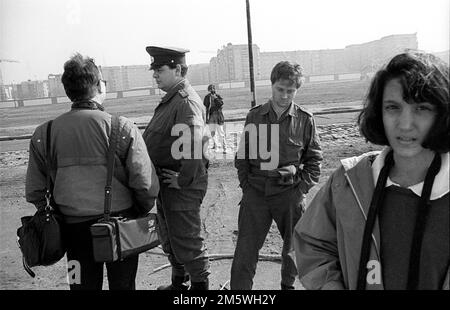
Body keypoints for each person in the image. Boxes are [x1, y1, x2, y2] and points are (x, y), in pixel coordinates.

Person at [294, 51, 449, 290]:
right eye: (393, 107)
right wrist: (329, 285)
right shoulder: (348, 181)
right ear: (379, 112)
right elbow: (312, 244)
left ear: (442, 113)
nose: (405, 124)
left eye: (421, 108)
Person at [25, 53, 160, 290]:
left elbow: (36, 191)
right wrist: (136, 211)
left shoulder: (43, 134)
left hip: (72, 232)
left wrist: (58, 214)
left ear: (68, 90)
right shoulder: (123, 128)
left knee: (79, 286)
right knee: (124, 285)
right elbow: (145, 184)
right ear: (98, 86)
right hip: (121, 227)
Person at [231, 61, 323, 290]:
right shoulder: (255, 117)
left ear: (297, 90)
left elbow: (314, 160)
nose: (284, 96)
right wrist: (247, 186)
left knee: (293, 249)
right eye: (280, 89)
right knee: (245, 251)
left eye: (290, 91)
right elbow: (242, 156)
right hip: (257, 193)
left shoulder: (304, 120)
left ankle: (287, 286)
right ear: (272, 86)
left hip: (289, 194)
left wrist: (300, 190)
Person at [142, 46, 210, 290]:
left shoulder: (185, 102)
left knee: (187, 240)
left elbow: (195, 142)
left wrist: (183, 179)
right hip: (168, 184)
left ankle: (200, 290)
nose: (155, 75)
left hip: (181, 186)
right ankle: (178, 285)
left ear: (178, 69)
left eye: (160, 70)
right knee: (170, 237)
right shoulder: (172, 100)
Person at [203, 84, 227, 151]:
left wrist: (215, 98)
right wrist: (207, 118)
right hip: (211, 117)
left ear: (215, 89)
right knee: (213, 133)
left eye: (213, 88)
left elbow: (221, 104)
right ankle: (216, 146)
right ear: (209, 90)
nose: (212, 90)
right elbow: (207, 108)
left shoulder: (218, 96)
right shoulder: (207, 97)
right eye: (210, 89)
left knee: (221, 133)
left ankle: (224, 148)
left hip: (218, 117)